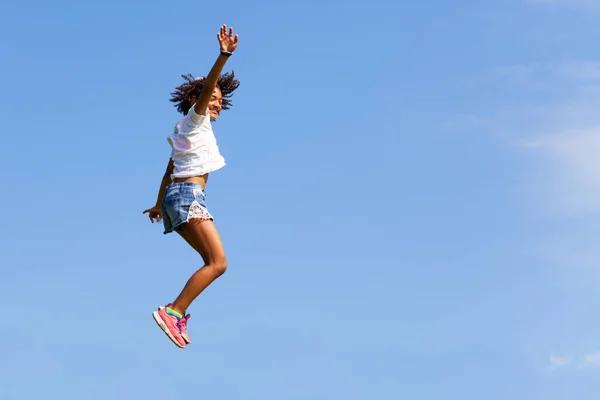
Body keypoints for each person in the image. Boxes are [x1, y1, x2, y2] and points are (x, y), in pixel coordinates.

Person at [143, 24, 240, 348]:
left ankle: (177, 311)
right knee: (218, 263)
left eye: (219, 100)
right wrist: (223, 56)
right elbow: (208, 86)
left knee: (210, 263)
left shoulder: (184, 132)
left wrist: (158, 204)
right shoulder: (194, 120)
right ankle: (174, 311)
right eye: (212, 97)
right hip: (187, 197)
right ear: (197, 100)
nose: (216, 103)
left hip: (176, 197)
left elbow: (168, 171)